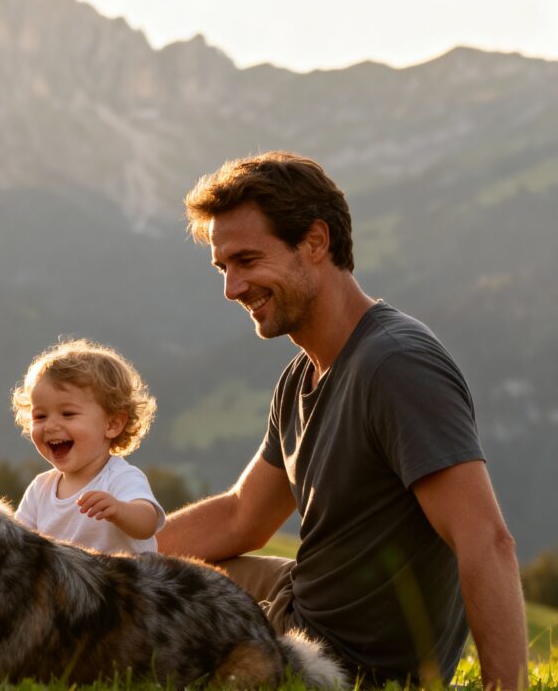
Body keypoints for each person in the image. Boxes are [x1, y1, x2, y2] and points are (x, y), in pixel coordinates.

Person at [158, 152, 526, 689]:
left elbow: (486, 540)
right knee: (147, 578)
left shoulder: (396, 364)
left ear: (315, 241)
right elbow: (242, 516)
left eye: (247, 260)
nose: (231, 289)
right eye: (223, 267)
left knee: (145, 614)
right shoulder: (301, 376)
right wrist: (104, 556)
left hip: (342, 666)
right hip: (302, 607)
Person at [11, 338, 163, 555]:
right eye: (40, 416)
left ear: (112, 424)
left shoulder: (119, 477)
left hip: (122, 586)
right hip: (65, 587)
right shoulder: (40, 489)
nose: (51, 426)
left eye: (68, 414)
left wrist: (120, 510)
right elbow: (20, 545)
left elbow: (147, 523)